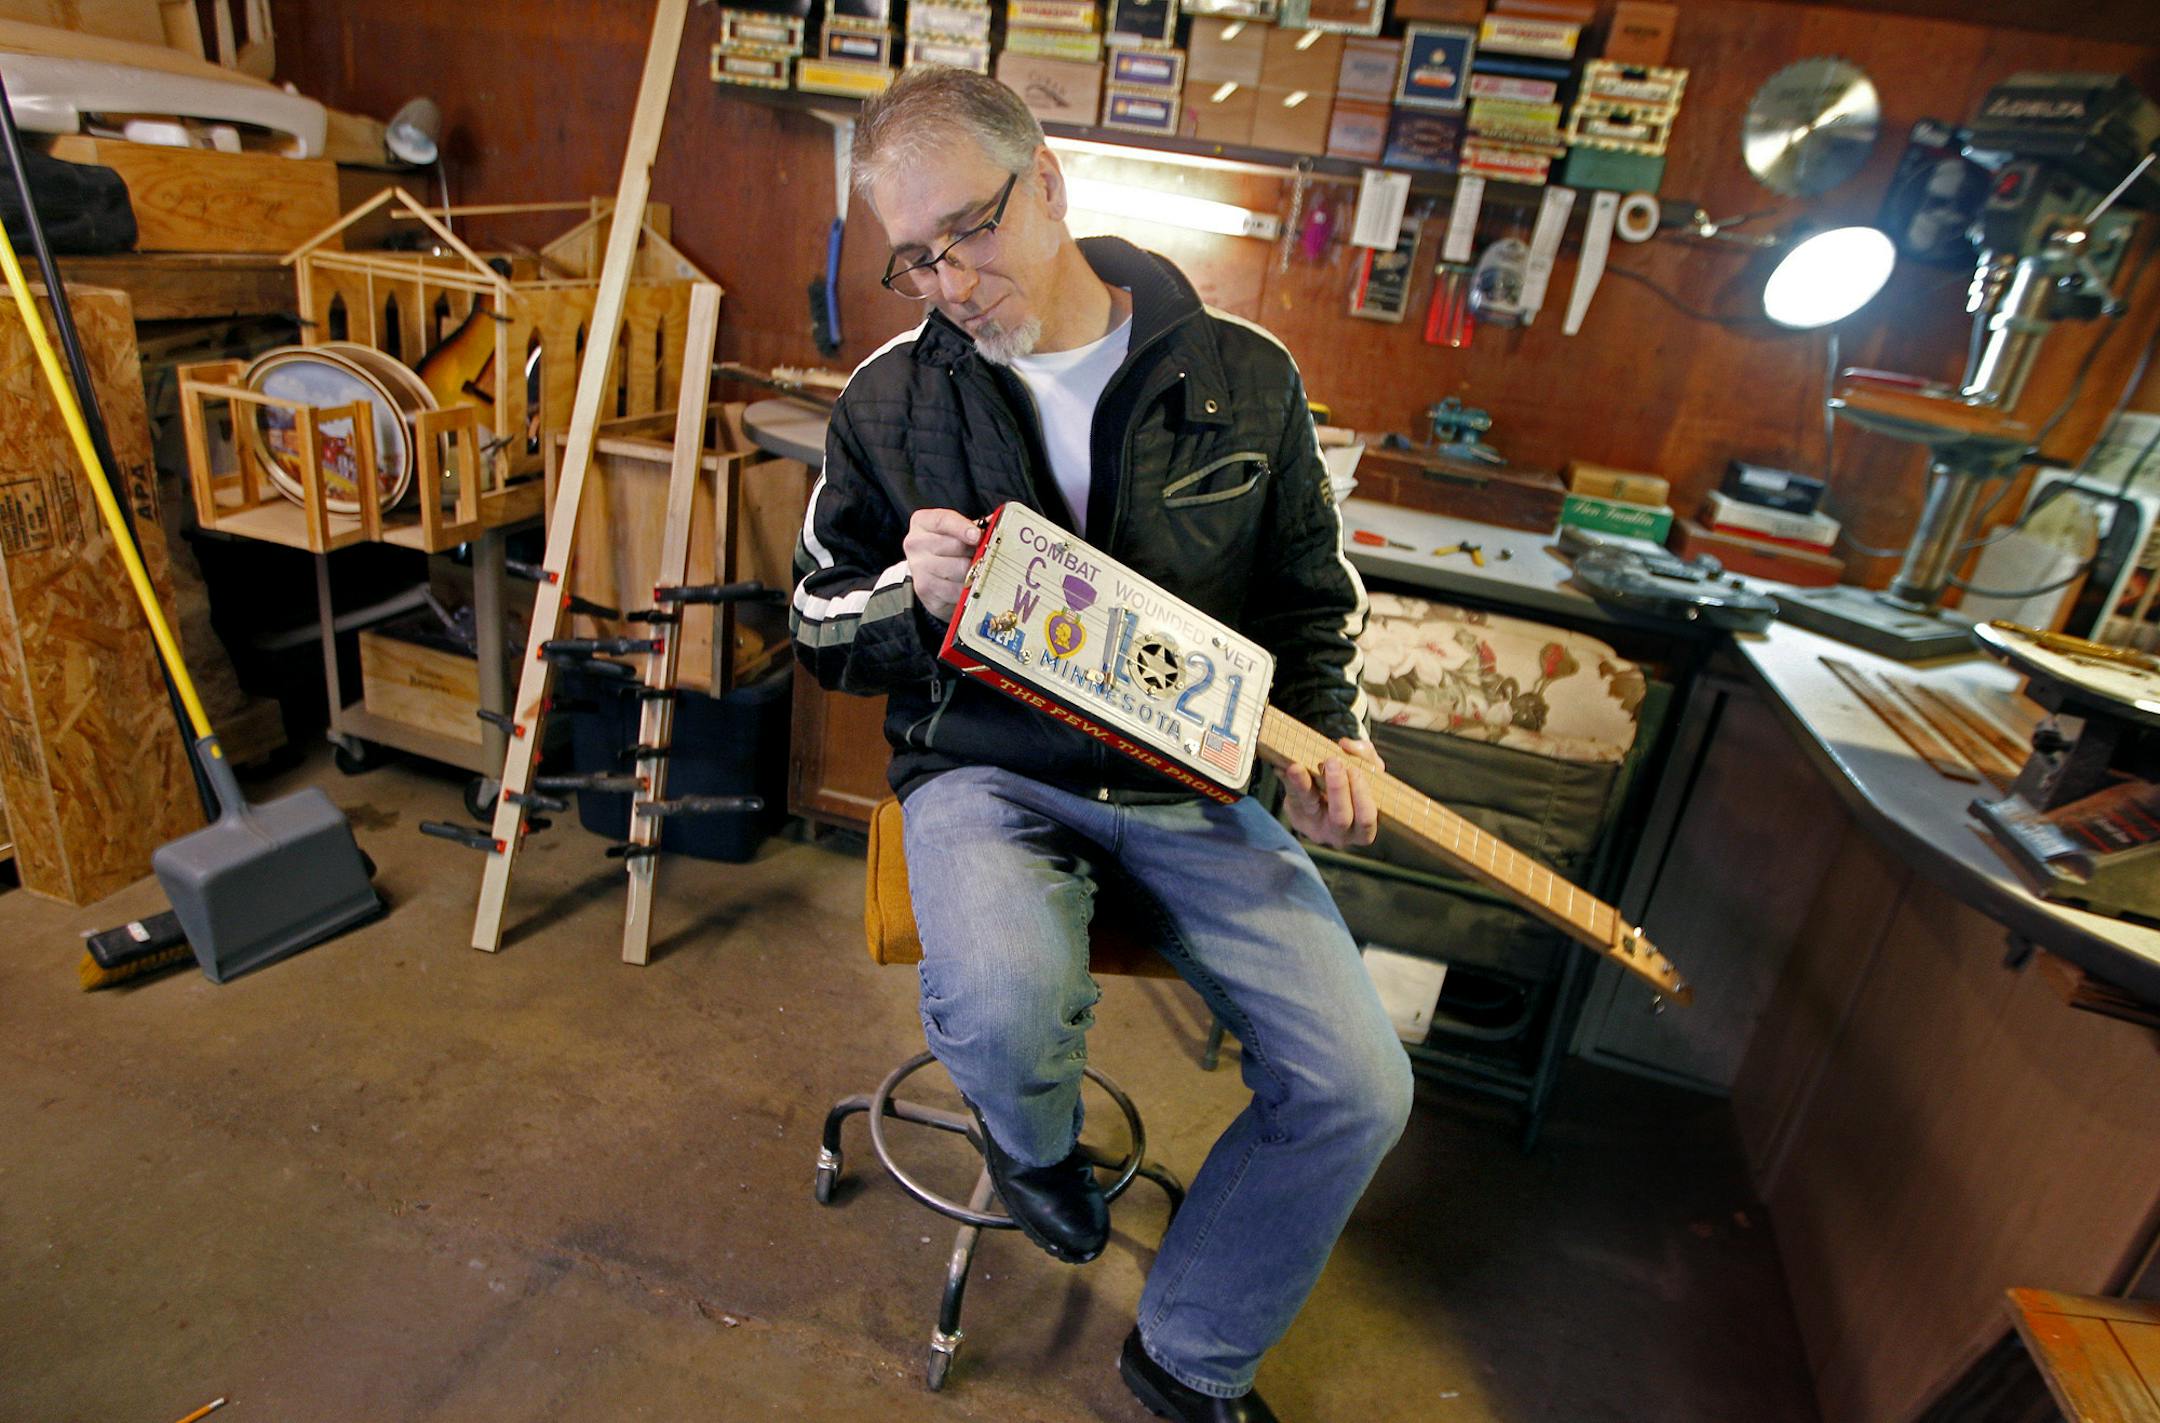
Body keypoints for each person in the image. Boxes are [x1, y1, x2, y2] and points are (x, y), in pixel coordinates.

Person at [791, 65, 1415, 1423]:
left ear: (1052, 183)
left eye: (970, 231)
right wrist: (912, 599)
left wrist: (1334, 744)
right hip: (987, 770)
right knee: (1008, 1002)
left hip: (1190, 782)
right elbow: (815, 622)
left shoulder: (1245, 375)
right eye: (915, 258)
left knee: (1361, 1087)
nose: (951, 282)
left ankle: (1190, 1352)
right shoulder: (890, 399)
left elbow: (1309, 602)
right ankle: (1031, 1149)